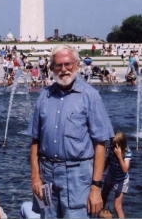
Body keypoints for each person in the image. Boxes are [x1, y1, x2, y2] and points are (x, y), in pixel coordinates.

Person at [30, 45, 114, 218]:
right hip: (46, 176)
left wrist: (96, 188)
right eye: (58, 65)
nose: (63, 69)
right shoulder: (44, 96)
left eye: (67, 64)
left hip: (78, 175)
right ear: (51, 68)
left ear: (76, 65)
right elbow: (35, 140)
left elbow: (100, 144)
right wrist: (35, 177)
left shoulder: (90, 96)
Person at [102, 132, 132, 218]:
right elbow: (107, 161)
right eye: (112, 144)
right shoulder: (111, 149)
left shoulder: (127, 152)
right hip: (111, 175)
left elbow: (125, 169)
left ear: (121, 145)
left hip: (121, 180)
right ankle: (103, 215)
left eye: (115, 145)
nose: (113, 147)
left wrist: (119, 156)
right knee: (103, 196)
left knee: (117, 206)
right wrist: (100, 172)